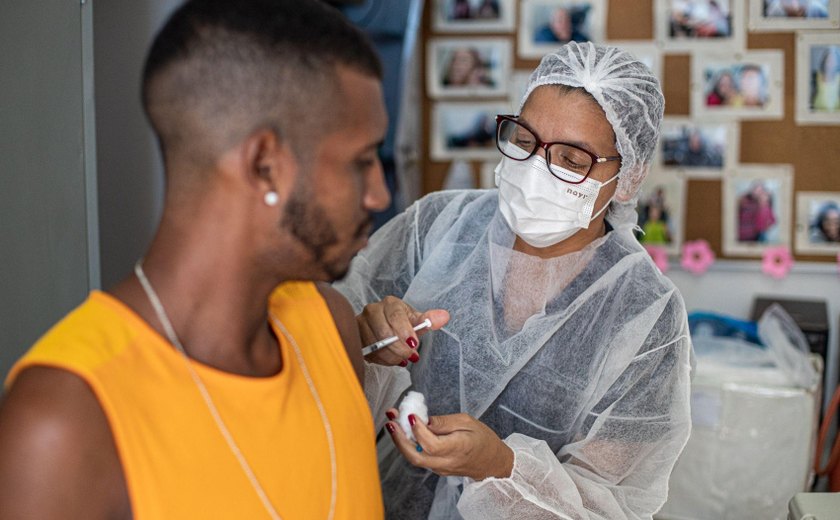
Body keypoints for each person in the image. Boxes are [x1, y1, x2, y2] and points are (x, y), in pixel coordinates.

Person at [0, 1, 390, 518]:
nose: (381, 196)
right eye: (362, 162)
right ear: (265, 165)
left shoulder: (332, 327)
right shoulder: (66, 419)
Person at [336, 42, 693, 519]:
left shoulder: (645, 313)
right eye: (525, 141)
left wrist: (499, 466)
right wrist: (366, 340)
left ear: (626, 178)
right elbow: (320, 365)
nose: (537, 171)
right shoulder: (437, 226)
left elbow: (606, 507)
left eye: (572, 159)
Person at [811, 46, 840, 112]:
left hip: (835, 111)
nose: (830, 63)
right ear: (825, 61)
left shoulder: (838, 77)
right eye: (828, 60)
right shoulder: (817, 75)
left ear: (836, 63)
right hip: (818, 110)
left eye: (833, 60)